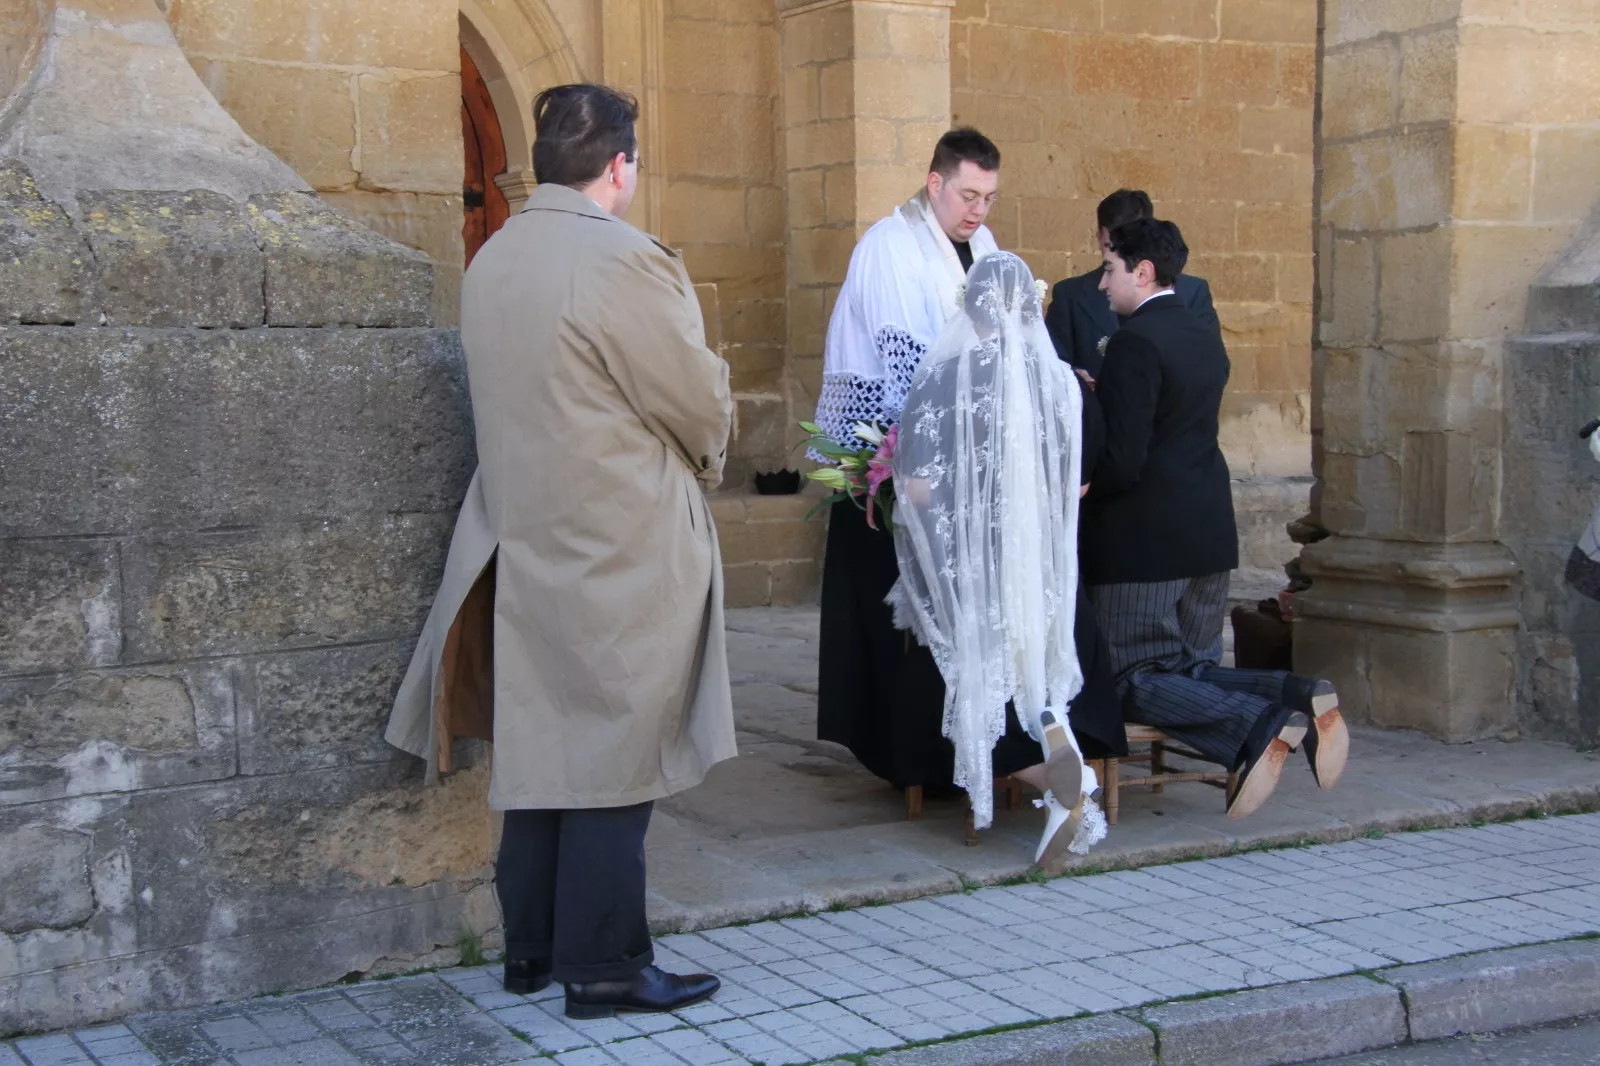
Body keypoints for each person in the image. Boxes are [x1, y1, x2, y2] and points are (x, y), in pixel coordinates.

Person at [384, 83, 733, 1019]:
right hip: (618, 540)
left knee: (544, 749)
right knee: (620, 752)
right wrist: (716, 434)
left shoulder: (494, 257)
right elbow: (695, 405)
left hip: (520, 531)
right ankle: (608, 965)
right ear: (620, 165)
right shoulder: (624, 261)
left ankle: (531, 952)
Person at [1083, 218, 1348, 819]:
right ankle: (1296, 694)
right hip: (1208, 531)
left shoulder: (1133, 342)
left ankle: (1262, 721)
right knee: (1191, 668)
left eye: (1110, 269)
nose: (1103, 284)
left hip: (1144, 544)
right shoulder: (1205, 332)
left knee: (1129, 679)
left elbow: (1125, 461)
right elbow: (1175, 419)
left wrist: (1078, 490)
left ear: (1142, 271)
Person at [892, 251, 1121, 869]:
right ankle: (1063, 752)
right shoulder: (1064, 384)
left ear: (970, 307)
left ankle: (1050, 777)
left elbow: (915, 486)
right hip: (1045, 569)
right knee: (1035, 667)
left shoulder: (946, 376)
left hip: (976, 566)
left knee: (962, 675)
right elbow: (1081, 480)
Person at [1045, 189, 1217, 379]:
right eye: (1112, 244)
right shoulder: (1070, 295)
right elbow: (1052, 370)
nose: (1123, 251)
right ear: (1099, 237)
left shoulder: (1192, 293)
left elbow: (1213, 368)